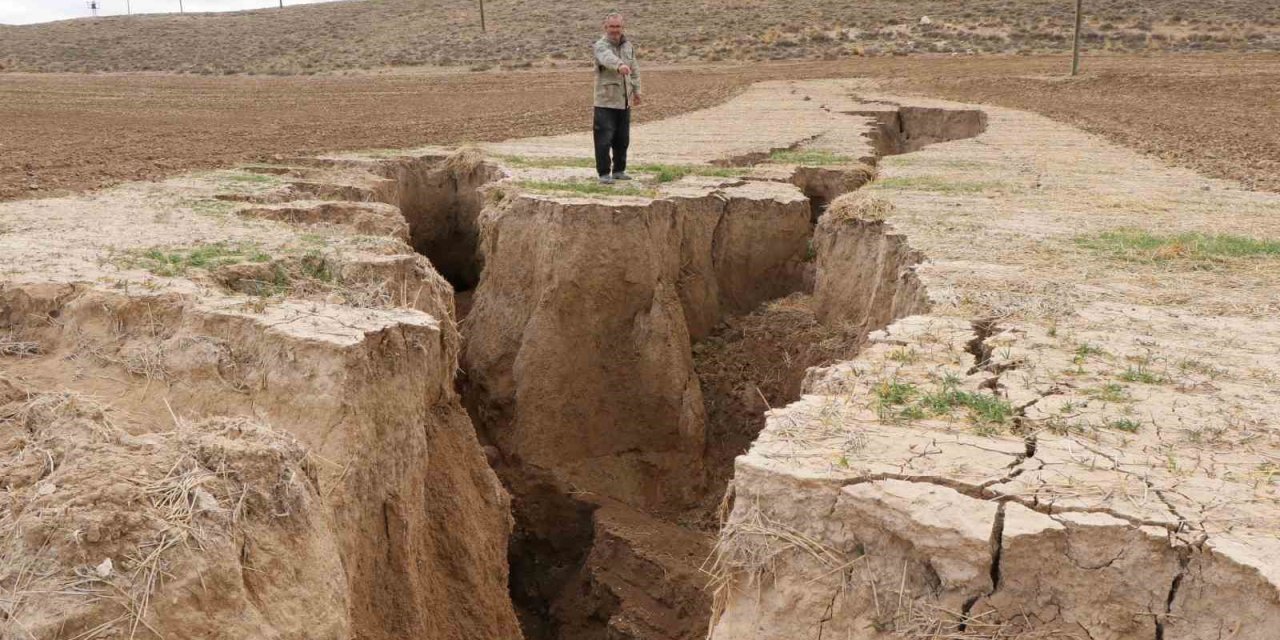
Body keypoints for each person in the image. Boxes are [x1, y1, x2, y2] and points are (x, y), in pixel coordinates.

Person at [592, 12, 642, 184]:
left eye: (618, 26)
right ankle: (604, 173)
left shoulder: (628, 46)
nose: (615, 30)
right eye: (612, 27)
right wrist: (619, 65)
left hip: (624, 101)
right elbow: (607, 58)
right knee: (604, 139)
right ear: (605, 27)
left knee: (622, 139)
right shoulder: (600, 45)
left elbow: (634, 69)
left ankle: (619, 170)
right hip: (605, 101)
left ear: (622, 27)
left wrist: (637, 91)